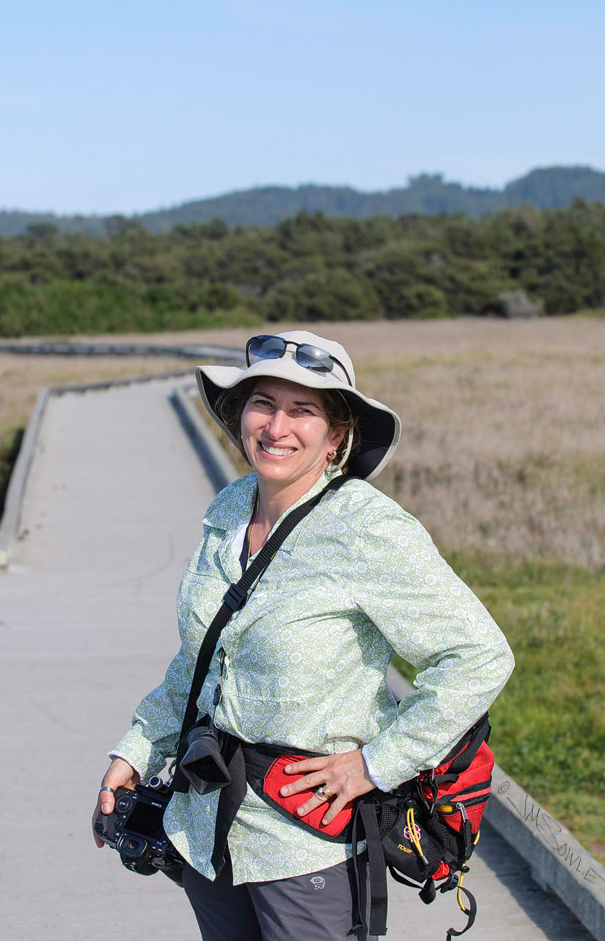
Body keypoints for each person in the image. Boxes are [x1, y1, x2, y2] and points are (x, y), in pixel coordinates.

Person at [92, 329, 515, 941]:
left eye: (303, 410)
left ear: (336, 435)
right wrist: (136, 749)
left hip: (307, 842)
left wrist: (377, 763)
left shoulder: (366, 528)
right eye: (263, 403)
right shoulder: (229, 510)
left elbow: (477, 656)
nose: (276, 426)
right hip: (207, 824)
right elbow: (201, 660)